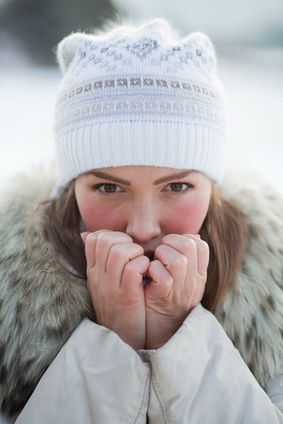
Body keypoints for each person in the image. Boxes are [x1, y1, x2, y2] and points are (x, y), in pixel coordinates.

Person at [0, 17, 283, 424]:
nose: (143, 227)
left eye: (178, 187)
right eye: (109, 188)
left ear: (210, 185)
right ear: (73, 185)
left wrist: (180, 337)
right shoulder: (11, 297)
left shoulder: (273, 287)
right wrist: (113, 343)